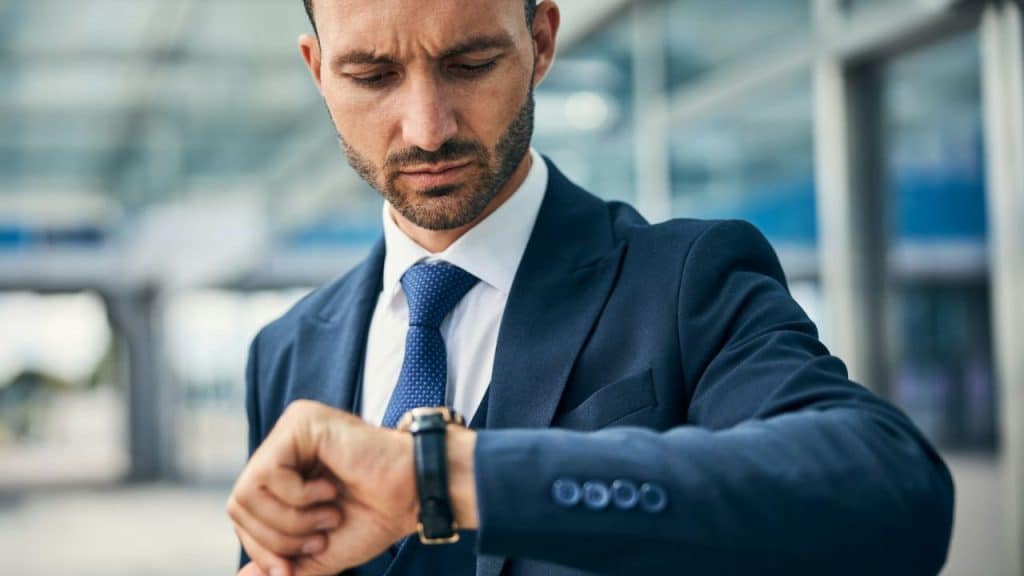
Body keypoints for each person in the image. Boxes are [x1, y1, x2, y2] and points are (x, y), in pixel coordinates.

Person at [226, 1, 955, 575]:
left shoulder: (685, 281)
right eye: (372, 76)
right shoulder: (285, 351)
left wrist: (439, 474)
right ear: (317, 69)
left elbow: (890, 493)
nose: (425, 129)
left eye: (471, 62)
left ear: (541, 42)